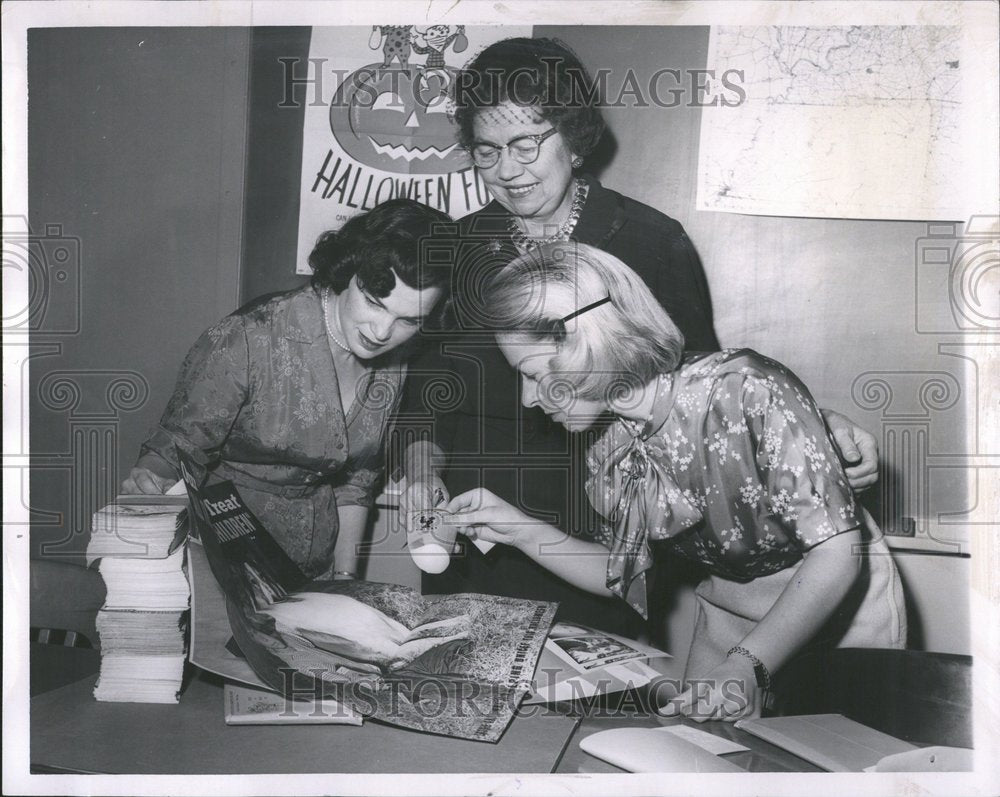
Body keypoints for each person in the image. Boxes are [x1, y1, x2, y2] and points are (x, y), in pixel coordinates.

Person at [399, 37, 878, 635]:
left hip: (598, 532)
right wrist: (419, 473)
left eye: (525, 144)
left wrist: (817, 424)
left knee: (592, 714)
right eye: (486, 151)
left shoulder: (650, 240)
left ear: (572, 138)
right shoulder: (457, 247)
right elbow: (422, 397)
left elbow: (698, 389)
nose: (507, 170)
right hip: (475, 531)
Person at [445, 242, 906, 720]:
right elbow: (623, 574)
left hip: (834, 607)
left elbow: (835, 554)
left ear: (589, 344)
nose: (527, 400)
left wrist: (748, 664)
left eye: (533, 374)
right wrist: (521, 530)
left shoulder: (746, 389)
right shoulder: (611, 442)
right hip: (729, 613)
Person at [122, 199, 451, 580]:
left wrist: (344, 582)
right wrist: (149, 480)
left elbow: (355, 485)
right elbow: (173, 453)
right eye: (374, 303)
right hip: (217, 564)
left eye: (408, 320)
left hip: (313, 568)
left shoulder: (396, 363)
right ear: (348, 271)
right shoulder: (249, 339)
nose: (382, 333)